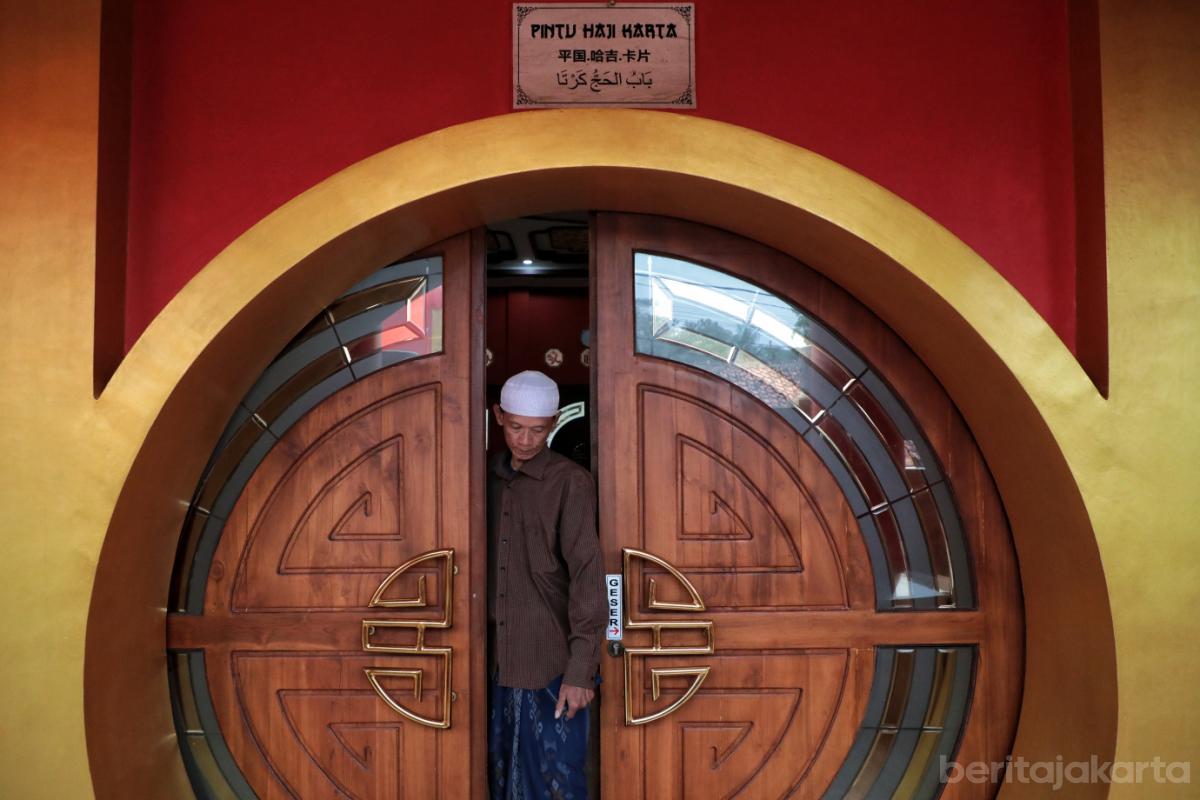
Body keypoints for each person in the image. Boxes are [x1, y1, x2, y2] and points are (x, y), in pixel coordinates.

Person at [488, 370, 606, 800]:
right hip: (493, 664)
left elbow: (588, 577)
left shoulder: (570, 482)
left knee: (558, 780)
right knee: (496, 779)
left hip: (552, 664)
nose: (524, 440)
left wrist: (581, 672)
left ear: (553, 423)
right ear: (499, 416)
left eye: (537, 430)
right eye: (516, 427)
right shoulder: (485, 477)